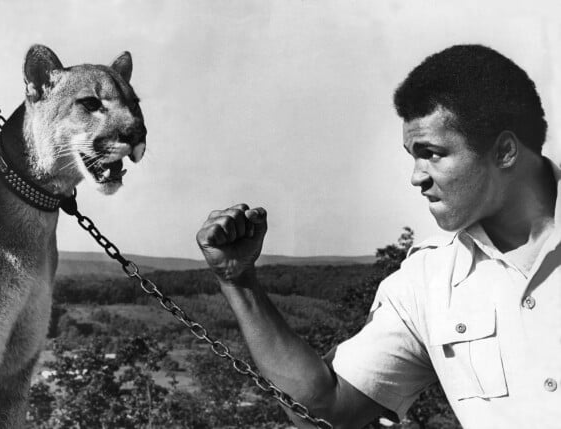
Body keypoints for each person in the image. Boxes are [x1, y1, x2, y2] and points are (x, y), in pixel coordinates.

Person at [196, 44, 561, 429]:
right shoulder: (428, 282)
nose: (416, 176)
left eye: (432, 153)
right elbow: (325, 409)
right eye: (412, 156)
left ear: (504, 151)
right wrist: (239, 281)